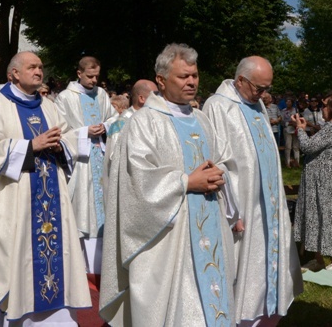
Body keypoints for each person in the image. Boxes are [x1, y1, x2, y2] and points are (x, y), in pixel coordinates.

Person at [100, 43, 236, 326]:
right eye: (183, 76)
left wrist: (219, 172)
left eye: (194, 76)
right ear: (161, 81)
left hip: (208, 224)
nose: (191, 82)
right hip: (167, 237)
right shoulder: (143, 123)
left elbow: (222, 158)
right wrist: (187, 181)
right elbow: (136, 182)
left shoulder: (202, 119)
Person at [0, 51, 91, 327]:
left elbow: (67, 134)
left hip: (52, 200)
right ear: (14, 74)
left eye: (40, 67)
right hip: (14, 200)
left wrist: (62, 145)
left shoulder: (49, 105)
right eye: (32, 67)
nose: (38, 71)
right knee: (15, 258)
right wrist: (30, 146)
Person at [202, 56, 303, 327]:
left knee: (266, 266)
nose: (265, 95)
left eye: (267, 88)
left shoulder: (255, 102)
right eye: (260, 88)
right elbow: (216, 161)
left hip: (268, 205)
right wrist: (230, 210)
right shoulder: (218, 106)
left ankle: (267, 313)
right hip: (242, 208)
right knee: (242, 270)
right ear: (240, 81)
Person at [54, 56, 118, 278]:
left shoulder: (101, 94)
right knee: (83, 208)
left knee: (103, 207)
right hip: (81, 162)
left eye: (97, 76)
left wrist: (105, 126)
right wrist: (84, 132)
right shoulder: (65, 98)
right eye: (90, 76)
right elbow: (61, 131)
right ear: (79, 73)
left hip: (101, 156)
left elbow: (114, 118)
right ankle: (82, 264)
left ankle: (101, 265)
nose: (94, 80)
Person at [291, 93, 332, 272]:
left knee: (327, 216)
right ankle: (319, 259)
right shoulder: (330, 127)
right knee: (316, 216)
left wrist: (299, 129)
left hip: (325, 181)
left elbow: (307, 147)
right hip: (317, 181)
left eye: (326, 106)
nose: (323, 108)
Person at [281, 98, 300, 168]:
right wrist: (288, 123)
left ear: (292, 103)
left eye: (289, 102)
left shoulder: (296, 110)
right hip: (287, 129)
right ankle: (287, 162)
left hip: (295, 129)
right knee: (288, 147)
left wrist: (295, 123)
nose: (288, 103)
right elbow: (282, 121)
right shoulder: (283, 111)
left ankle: (297, 162)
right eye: (287, 102)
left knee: (296, 147)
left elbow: (299, 118)